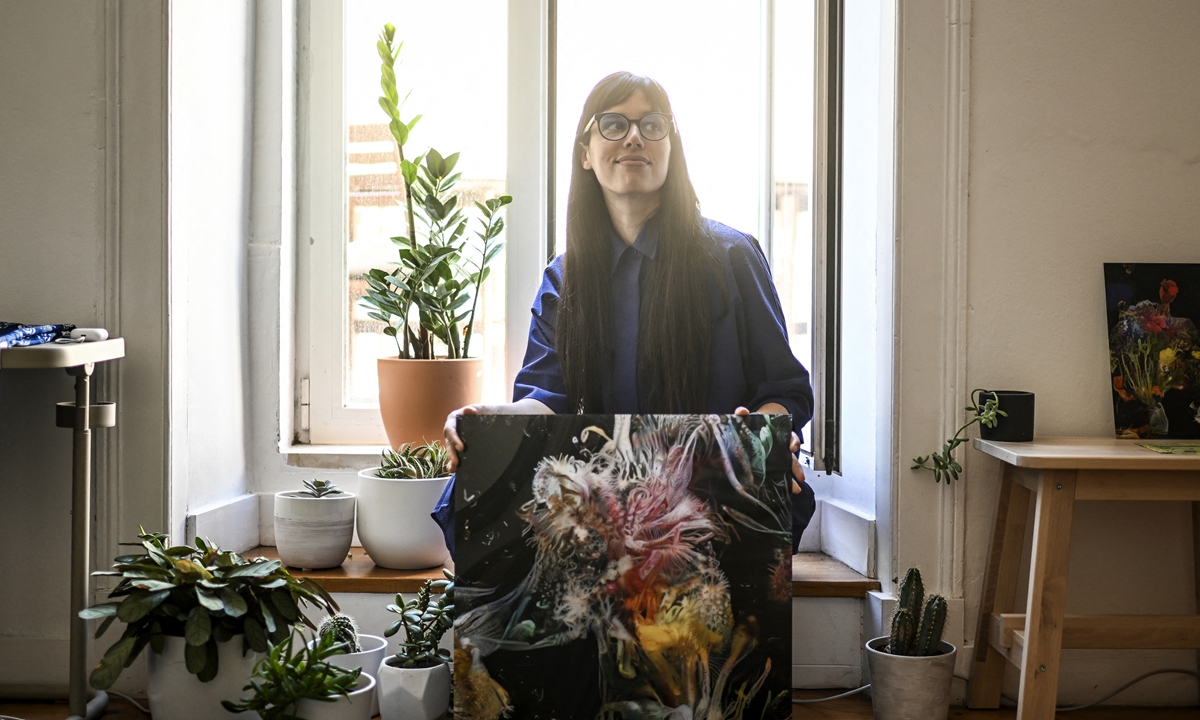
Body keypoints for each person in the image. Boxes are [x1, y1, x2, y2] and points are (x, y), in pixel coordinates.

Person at [438, 71, 815, 553]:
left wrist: (762, 437)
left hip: (710, 490)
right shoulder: (564, 278)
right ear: (585, 153)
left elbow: (783, 391)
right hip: (604, 497)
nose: (634, 136)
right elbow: (547, 401)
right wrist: (486, 419)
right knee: (471, 495)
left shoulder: (732, 257)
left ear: (671, 148)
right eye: (613, 124)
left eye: (652, 125)